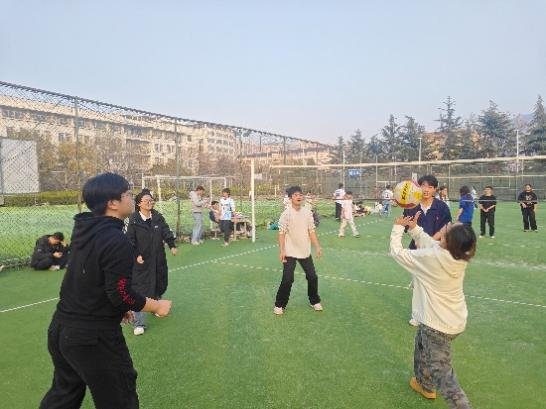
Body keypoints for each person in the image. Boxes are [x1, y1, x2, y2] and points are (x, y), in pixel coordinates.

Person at [39, 173, 172, 409]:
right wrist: (157, 305)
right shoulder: (115, 239)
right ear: (112, 203)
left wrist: (115, 309)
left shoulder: (85, 230)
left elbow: (90, 278)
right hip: (92, 338)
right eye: (128, 194)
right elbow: (121, 294)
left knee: (64, 394)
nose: (132, 198)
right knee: (119, 398)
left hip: (61, 329)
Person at [390, 212, 475, 409]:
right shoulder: (459, 255)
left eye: (450, 228)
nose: (448, 226)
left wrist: (398, 228)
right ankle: (424, 384)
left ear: (448, 241)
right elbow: (432, 245)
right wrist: (414, 229)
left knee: (444, 377)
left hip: (438, 325)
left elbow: (397, 253)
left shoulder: (431, 259)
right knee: (421, 344)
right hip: (452, 319)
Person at [126, 189, 177, 336]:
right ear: (139, 204)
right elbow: (129, 240)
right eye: (146, 200)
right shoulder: (133, 220)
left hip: (158, 259)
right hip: (141, 262)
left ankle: (156, 308)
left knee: (157, 285)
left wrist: (172, 245)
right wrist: (136, 254)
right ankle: (138, 323)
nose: (150, 202)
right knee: (139, 290)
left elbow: (166, 231)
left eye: (151, 200)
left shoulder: (158, 217)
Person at [403, 175, 452, 326]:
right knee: (419, 285)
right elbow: (408, 227)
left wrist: (430, 241)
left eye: (430, 187)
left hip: (436, 250)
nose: (426, 189)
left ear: (435, 189)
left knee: (435, 285)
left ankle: (437, 314)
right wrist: (419, 238)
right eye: (423, 186)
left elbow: (447, 226)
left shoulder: (441, 206)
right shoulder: (411, 205)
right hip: (417, 251)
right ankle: (417, 316)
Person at [274, 186, 323, 315]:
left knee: (312, 277)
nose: (299, 197)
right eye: (296, 195)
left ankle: (314, 301)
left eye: (300, 195)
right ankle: (279, 304)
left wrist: (317, 246)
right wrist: (282, 251)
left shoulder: (307, 212)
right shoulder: (286, 214)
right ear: (290, 198)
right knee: (288, 279)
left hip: (304, 251)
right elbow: (281, 233)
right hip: (289, 251)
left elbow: (311, 231)